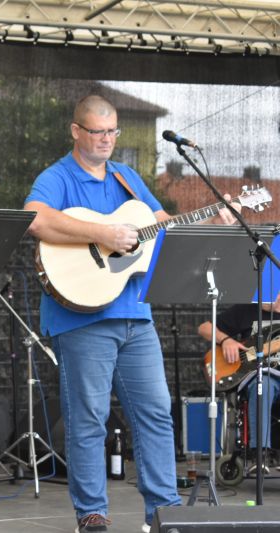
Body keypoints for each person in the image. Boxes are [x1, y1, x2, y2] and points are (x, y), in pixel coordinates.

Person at [23, 94, 238, 533]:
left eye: (113, 131)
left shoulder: (126, 177)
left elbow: (164, 227)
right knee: (89, 419)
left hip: (135, 316)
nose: (107, 139)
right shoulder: (57, 176)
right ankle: (92, 514)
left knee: (156, 412)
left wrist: (213, 221)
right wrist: (103, 233)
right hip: (81, 317)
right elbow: (33, 218)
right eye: (98, 131)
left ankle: (165, 510)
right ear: (76, 131)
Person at [197, 294, 280, 458]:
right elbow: (204, 328)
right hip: (258, 377)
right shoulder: (245, 310)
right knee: (263, 384)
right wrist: (226, 340)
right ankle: (260, 452)